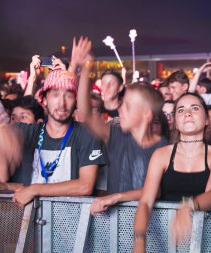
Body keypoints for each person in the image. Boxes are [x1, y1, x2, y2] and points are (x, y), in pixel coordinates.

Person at [0, 38, 106, 206]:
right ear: (44, 100)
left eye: (68, 95)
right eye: (55, 95)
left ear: (76, 101)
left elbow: (85, 186)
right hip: (33, 227)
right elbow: (4, 173)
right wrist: (1, 127)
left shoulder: (86, 134)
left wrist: (34, 189)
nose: (61, 103)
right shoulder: (27, 131)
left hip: (71, 227)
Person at [72, 40, 168, 214]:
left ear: (146, 114)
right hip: (114, 221)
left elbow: (156, 190)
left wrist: (115, 197)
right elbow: (85, 113)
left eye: (128, 106)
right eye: (122, 104)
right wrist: (85, 69)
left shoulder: (163, 147)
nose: (120, 109)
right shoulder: (115, 134)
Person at [133, 93, 211, 251]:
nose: (188, 113)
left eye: (195, 108)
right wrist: (139, 241)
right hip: (165, 239)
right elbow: (145, 202)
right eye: (181, 110)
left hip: (207, 241)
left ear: (206, 120)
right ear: (175, 122)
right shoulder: (161, 154)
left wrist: (187, 206)